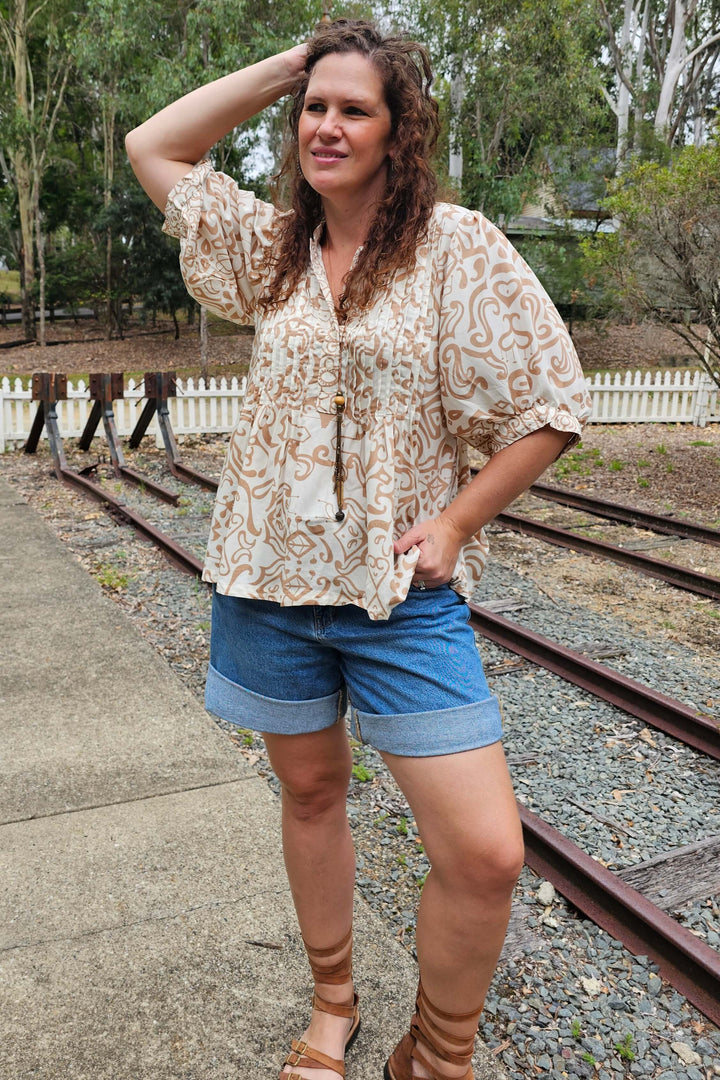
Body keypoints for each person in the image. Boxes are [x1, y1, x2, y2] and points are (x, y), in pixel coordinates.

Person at [126, 18, 590, 1080]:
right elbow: (155, 145)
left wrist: (460, 522)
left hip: (398, 593)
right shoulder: (270, 250)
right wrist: (297, 61)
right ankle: (333, 1004)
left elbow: (554, 402)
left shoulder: (455, 246)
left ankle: (439, 1055)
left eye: (354, 108)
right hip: (268, 582)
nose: (326, 126)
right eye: (314, 108)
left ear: (400, 131)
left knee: (484, 853)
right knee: (312, 795)